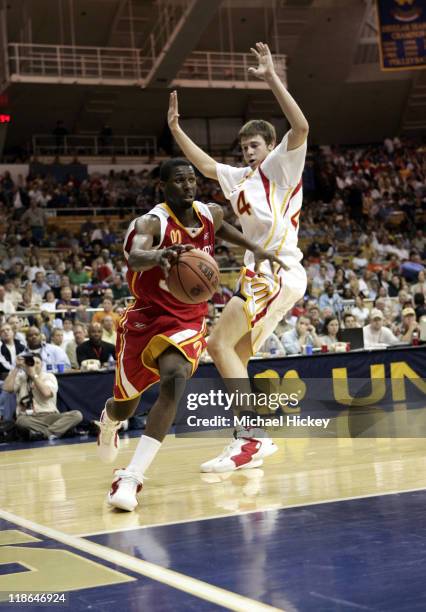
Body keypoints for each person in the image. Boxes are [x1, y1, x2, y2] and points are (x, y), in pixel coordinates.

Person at [97, 158, 281, 511]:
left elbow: (223, 229)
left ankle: (131, 476)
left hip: (186, 317)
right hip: (146, 317)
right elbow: (135, 258)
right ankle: (109, 420)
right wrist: (159, 255)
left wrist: (254, 248)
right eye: (179, 181)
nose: (188, 185)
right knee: (124, 406)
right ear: (164, 187)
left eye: (191, 179)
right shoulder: (152, 221)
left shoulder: (210, 213)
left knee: (175, 378)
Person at [167, 42, 309, 472]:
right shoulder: (240, 178)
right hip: (266, 272)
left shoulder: (280, 168)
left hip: (275, 269)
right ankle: (248, 439)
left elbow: (301, 127)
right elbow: (208, 166)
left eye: (255, 144)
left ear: (269, 146)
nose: (249, 151)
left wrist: (270, 79)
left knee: (215, 343)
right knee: (236, 355)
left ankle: (252, 437)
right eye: (245, 145)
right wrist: (175, 129)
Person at [3, 353, 82, 441]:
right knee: (20, 422)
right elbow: (6, 388)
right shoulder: (21, 377)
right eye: (31, 363)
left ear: (42, 365)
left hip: (50, 416)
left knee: (77, 415)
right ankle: (57, 431)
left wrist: (34, 376)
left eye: (37, 363)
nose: (34, 365)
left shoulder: (49, 376)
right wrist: (17, 367)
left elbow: (46, 393)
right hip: (29, 418)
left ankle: (43, 434)